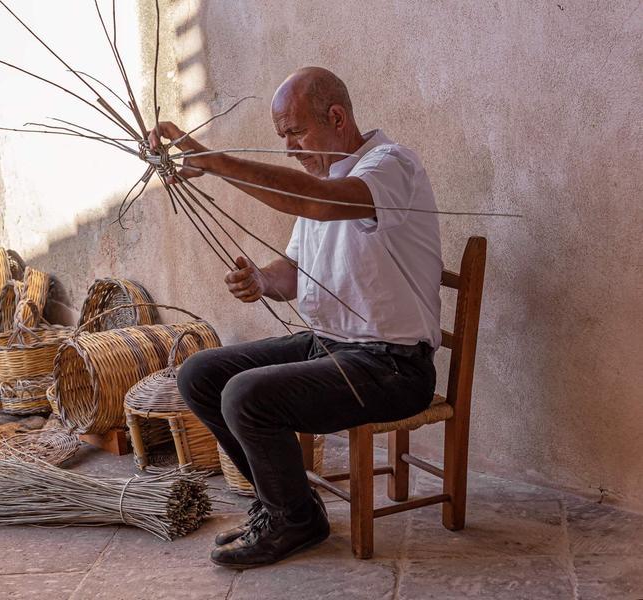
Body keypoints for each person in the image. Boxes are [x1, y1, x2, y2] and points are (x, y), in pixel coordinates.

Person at [148, 66, 442, 569]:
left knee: (246, 395)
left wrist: (216, 163)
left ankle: (293, 520)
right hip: (329, 345)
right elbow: (293, 272)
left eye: (295, 132)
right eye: (281, 137)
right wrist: (262, 280)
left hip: (393, 367)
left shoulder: (390, 166)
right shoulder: (320, 183)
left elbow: (325, 205)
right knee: (201, 374)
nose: (289, 149)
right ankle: (286, 506)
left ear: (337, 116)